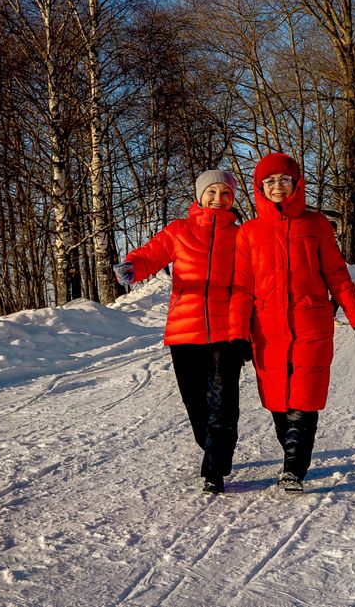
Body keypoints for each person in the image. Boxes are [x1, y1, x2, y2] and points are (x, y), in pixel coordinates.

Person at [230, 152, 355, 493]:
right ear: (259, 188)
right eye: (270, 182)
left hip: (312, 323)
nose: (277, 187)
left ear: (296, 184)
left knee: (304, 398)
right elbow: (241, 289)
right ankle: (293, 456)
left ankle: (293, 469)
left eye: (284, 180)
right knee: (279, 402)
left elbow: (336, 274)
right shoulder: (249, 233)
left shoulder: (316, 225)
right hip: (266, 330)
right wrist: (238, 334)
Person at [113, 170, 247, 495]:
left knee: (223, 400)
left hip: (226, 331)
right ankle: (212, 447)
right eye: (212, 193)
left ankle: (216, 464)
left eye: (225, 193)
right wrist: (133, 267)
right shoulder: (180, 230)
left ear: (233, 198)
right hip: (185, 332)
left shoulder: (242, 235)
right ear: (200, 196)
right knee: (196, 403)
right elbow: (150, 254)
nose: (218, 199)